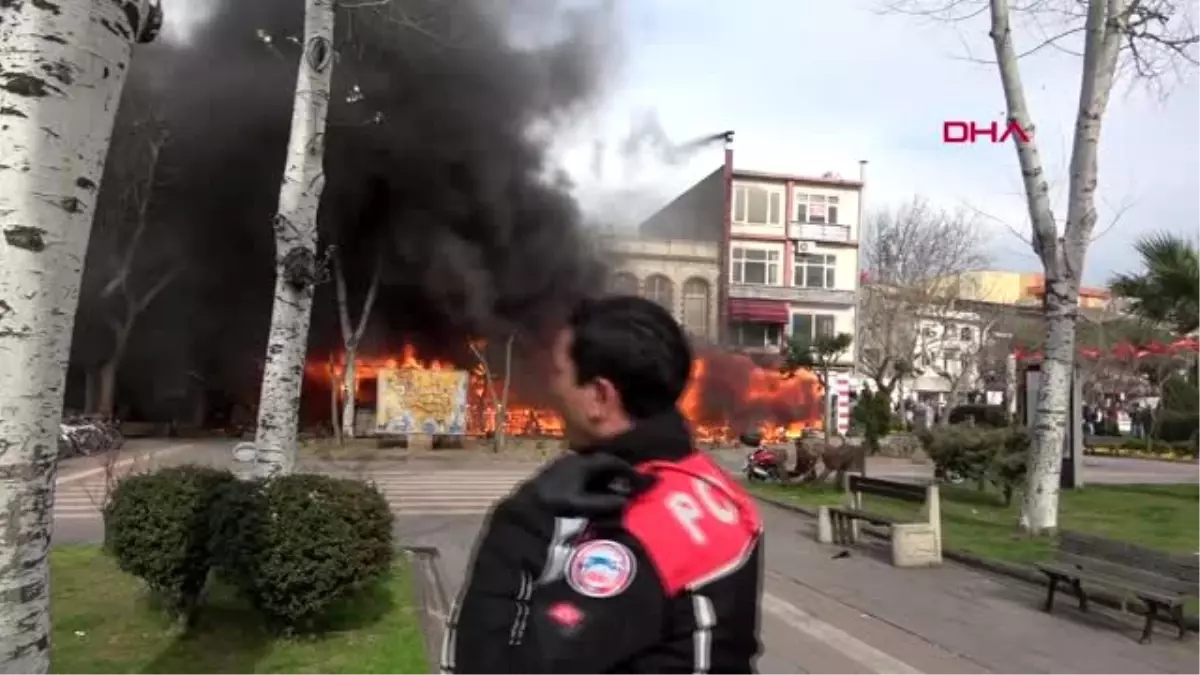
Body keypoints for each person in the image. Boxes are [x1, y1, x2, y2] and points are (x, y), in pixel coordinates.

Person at [442, 295, 764, 675]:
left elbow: (494, 664)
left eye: (559, 374)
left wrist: (517, 529)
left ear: (599, 396)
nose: (552, 389)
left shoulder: (631, 533)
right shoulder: (714, 486)